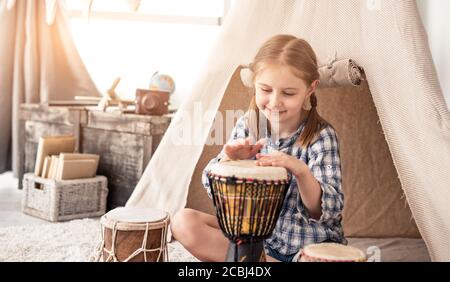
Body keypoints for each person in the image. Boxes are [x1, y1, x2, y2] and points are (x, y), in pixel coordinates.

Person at [170, 34, 346, 262]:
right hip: (260, 244)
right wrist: (229, 160)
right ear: (254, 83)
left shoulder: (322, 136)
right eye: (265, 90)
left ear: (310, 89)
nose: (274, 102)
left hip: (308, 247)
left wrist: (300, 171)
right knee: (183, 222)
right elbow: (214, 190)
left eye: (288, 93)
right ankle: (257, 261)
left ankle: (248, 263)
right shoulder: (249, 125)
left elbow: (325, 211)